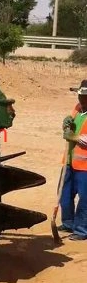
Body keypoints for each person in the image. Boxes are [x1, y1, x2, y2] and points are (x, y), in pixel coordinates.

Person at [59, 79, 87, 240]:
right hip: (69, 161)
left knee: (85, 198)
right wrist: (66, 124)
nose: (82, 100)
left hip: (85, 165)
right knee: (64, 193)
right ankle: (68, 223)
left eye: (85, 97)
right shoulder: (77, 108)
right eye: (80, 96)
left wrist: (74, 137)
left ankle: (82, 230)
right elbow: (71, 124)